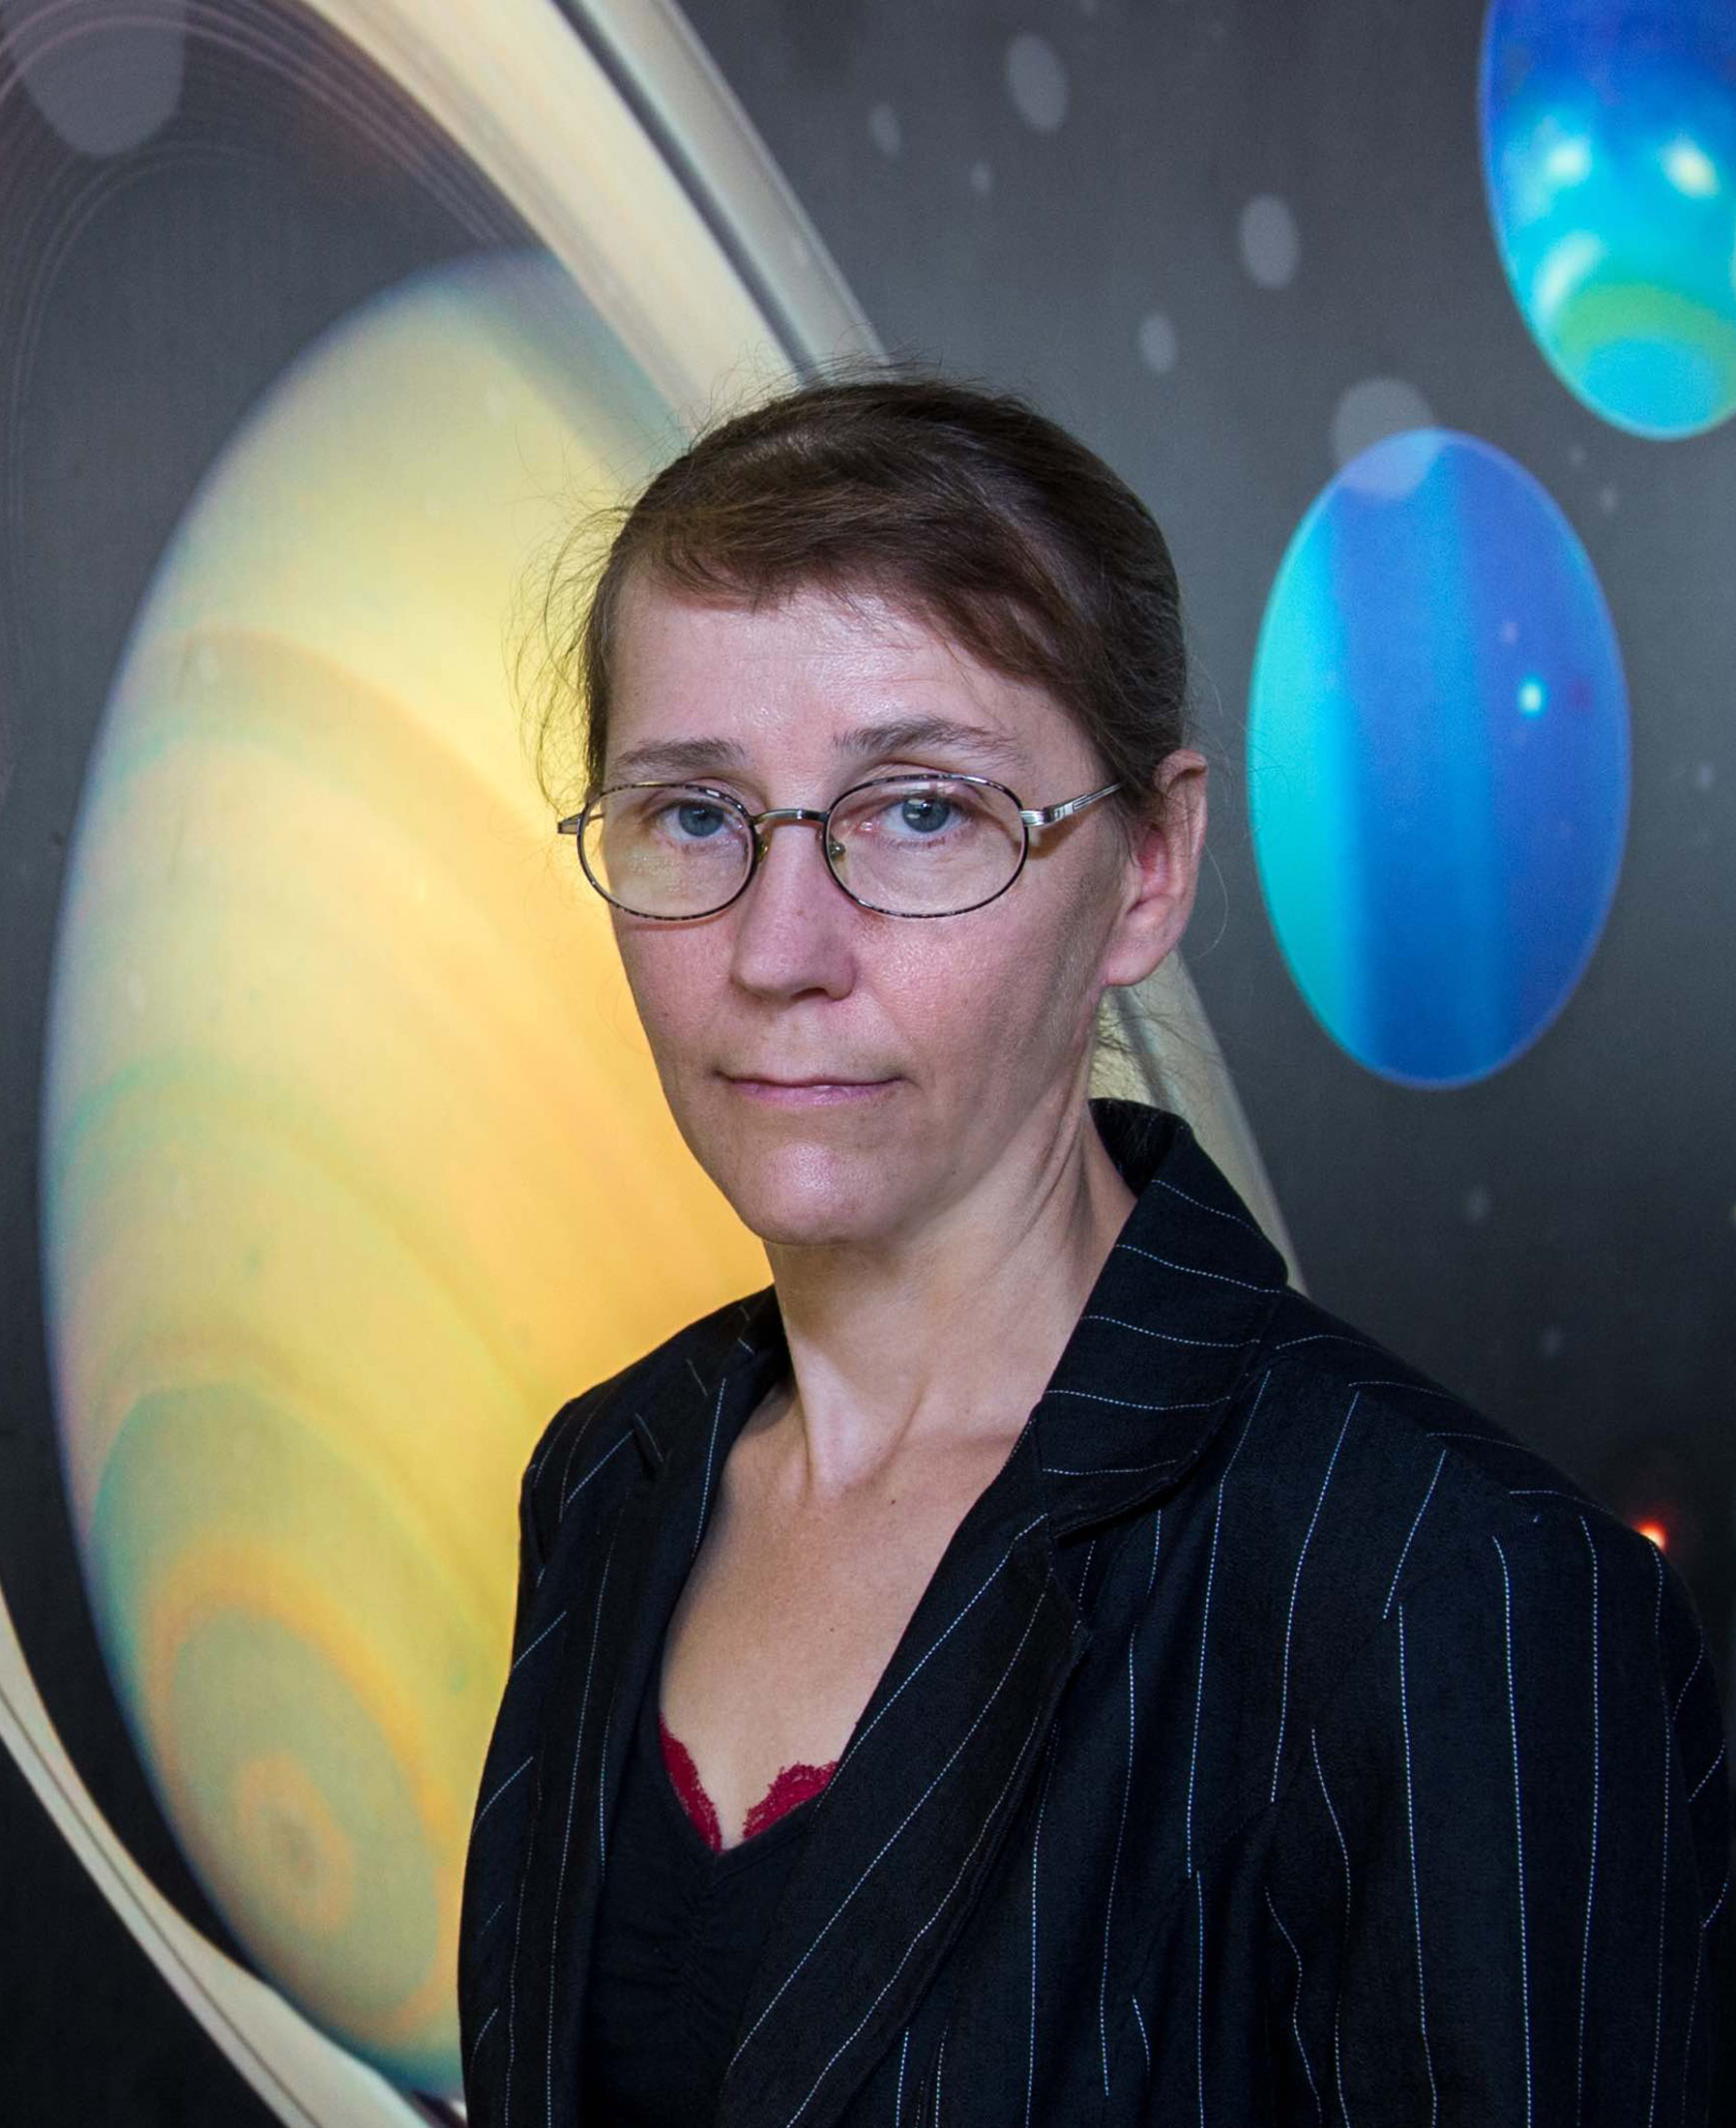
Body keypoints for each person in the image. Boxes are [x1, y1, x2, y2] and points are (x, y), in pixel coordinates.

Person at [455, 369, 1728, 2128]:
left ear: (1150, 868)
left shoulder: (1453, 1592)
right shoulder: (605, 1481)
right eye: (695, 815)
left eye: (921, 811)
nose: (780, 949)